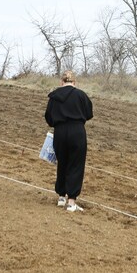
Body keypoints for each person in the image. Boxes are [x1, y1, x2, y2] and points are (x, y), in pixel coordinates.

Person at [45, 70, 93, 212]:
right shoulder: (81, 95)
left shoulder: (54, 96)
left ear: (62, 82)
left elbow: (48, 117)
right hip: (77, 131)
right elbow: (89, 113)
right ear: (74, 82)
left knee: (62, 162)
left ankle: (61, 196)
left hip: (59, 131)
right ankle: (71, 201)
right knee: (76, 165)